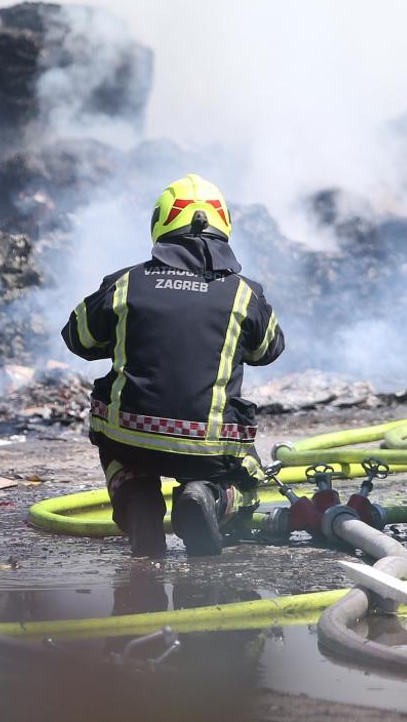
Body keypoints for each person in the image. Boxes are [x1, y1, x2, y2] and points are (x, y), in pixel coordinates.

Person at [62, 174, 284, 558]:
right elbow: (268, 349)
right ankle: (209, 497)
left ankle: (137, 502)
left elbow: (78, 338)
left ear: (161, 222)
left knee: (113, 430)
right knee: (249, 474)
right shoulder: (244, 293)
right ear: (223, 224)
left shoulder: (124, 283)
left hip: (130, 438)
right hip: (209, 443)